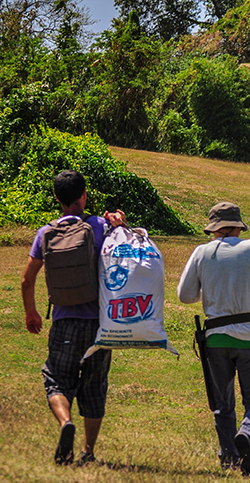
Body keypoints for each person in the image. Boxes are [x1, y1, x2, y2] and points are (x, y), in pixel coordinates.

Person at [20, 170, 126, 466]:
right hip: (98, 326)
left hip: (64, 322)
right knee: (94, 387)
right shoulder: (100, 226)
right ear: (84, 196)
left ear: (57, 199)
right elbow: (129, 252)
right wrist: (121, 223)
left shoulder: (45, 233)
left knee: (56, 379)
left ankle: (66, 421)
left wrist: (31, 312)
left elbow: (27, 280)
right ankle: (87, 451)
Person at [177, 202, 250, 476]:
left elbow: (185, 295)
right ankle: (248, 433)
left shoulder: (202, 253)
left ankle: (229, 456)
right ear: (239, 226)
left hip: (215, 339)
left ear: (213, 229)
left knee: (222, 402)